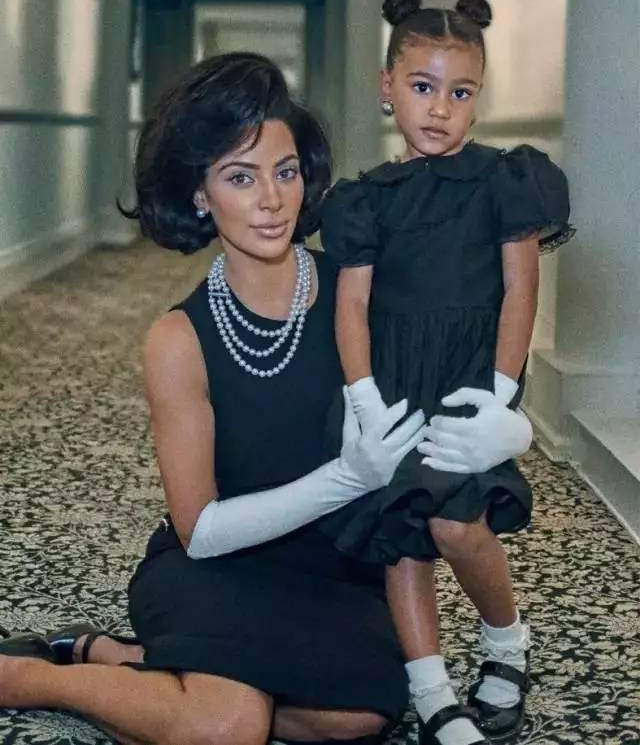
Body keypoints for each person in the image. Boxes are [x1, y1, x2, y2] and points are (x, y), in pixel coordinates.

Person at [0, 52, 533, 745]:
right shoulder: (178, 339)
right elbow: (200, 530)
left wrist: (510, 426)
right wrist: (346, 478)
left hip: (338, 566)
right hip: (222, 564)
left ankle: (124, 657)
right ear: (200, 194)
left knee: (361, 715)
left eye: (284, 172)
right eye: (240, 177)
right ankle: (33, 678)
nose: (272, 200)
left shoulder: (360, 292)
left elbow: (463, 348)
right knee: (229, 727)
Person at [320, 0, 574, 745]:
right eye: (422, 86)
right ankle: (432, 692)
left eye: (460, 92)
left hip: (469, 380)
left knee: (457, 526)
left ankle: (507, 643)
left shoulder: (505, 181)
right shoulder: (367, 199)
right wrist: (363, 399)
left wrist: (503, 396)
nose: (439, 108)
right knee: (402, 533)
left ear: (478, 96)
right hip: (395, 381)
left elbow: (521, 291)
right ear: (387, 86)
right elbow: (351, 305)